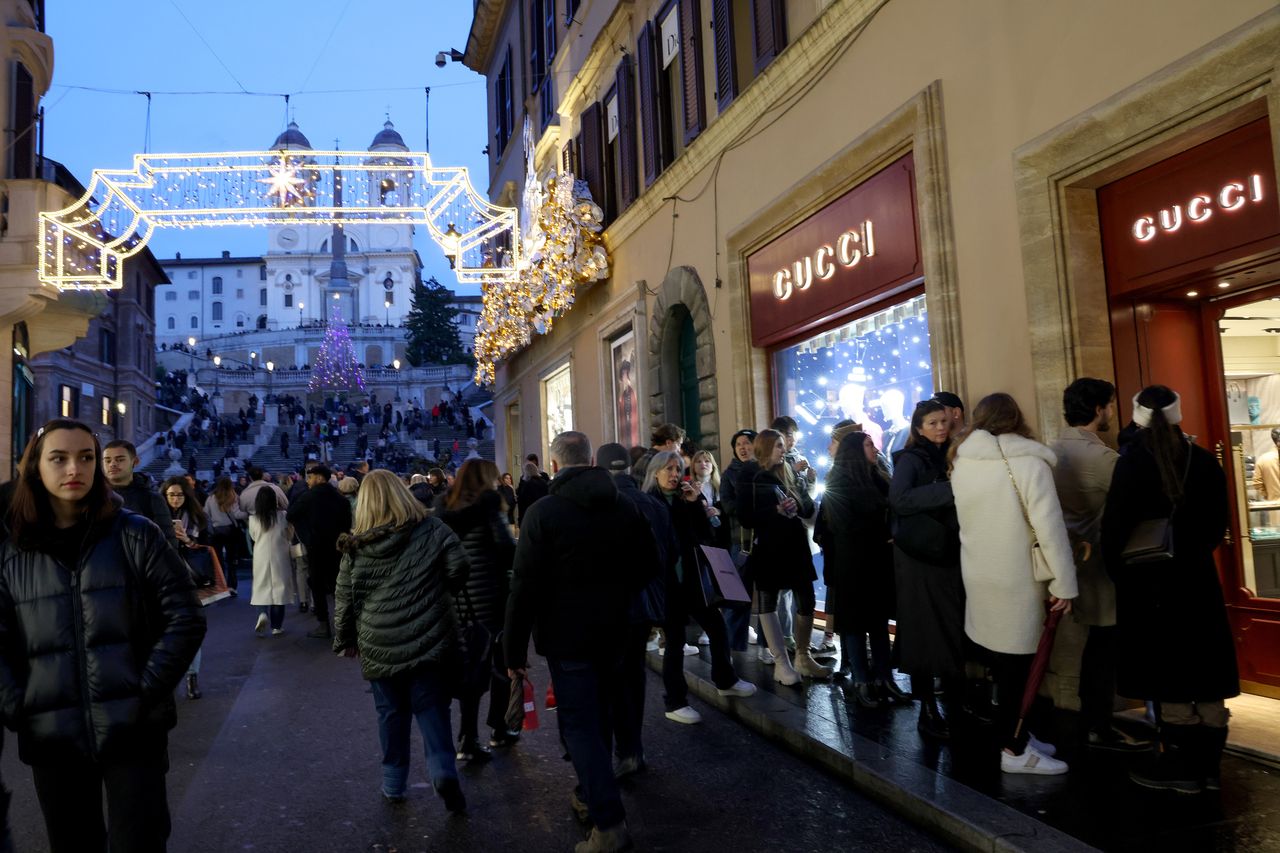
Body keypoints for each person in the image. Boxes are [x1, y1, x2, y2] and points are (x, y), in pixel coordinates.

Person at [0, 418, 205, 852]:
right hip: (51, 731)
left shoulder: (136, 533)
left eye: (86, 457)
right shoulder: (13, 550)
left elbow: (185, 616)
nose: (74, 468)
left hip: (133, 729)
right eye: (59, 458)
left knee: (140, 841)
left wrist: (145, 690)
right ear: (36, 467)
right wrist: (17, 704)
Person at [503, 432, 659, 853]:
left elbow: (524, 588)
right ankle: (593, 793)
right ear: (591, 460)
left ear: (555, 465)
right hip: (617, 629)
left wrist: (513, 652)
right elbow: (650, 562)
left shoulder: (543, 513)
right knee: (602, 714)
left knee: (581, 724)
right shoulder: (623, 505)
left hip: (566, 635)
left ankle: (607, 822)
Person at [1101, 385, 1237, 794]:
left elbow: (1115, 530)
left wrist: (1119, 575)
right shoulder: (1205, 462)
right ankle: (1209, 770)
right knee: (1207, 675)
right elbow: (1218, 526)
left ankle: (1180, 767)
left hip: (1150, 585)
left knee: (1170, 676)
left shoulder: (1132, 464)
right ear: (1179, 414)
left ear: (1137, 416)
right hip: (1198, 582)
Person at [950, 393, 1078, 775]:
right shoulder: (1027, 463)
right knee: (1019, 669)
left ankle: (1017, 735)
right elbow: (1049, 528)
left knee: (1002, 663)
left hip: (980, 572)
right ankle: (1014, 749)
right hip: (1016, 577)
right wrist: (1065, 584)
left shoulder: (962, 462)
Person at [333, 470, 469, 813]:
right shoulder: (432, 528)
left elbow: (345, 596)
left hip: (377, 639)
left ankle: (394, 783)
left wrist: (344, 638)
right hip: (429, 634)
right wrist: (437, 593)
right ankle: (442, 770)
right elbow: (459, 567)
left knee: (390, 712)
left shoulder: (356, 543)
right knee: (432, 707)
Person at [1051, 378, 1149, 752]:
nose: (1112, 411)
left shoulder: (1053, 449)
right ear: (1098, 410)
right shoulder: (1104, 459)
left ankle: (1093, 720)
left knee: (1096, 644)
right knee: (1105, 646)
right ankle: (1098, 724)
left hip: (1072, 557)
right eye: (1109, 404)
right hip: (1102, 561)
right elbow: (1137, 502)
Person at [646, 451, 755, 724]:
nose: (674, 474)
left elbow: (707, 536)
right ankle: (675, 701)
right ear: (655, 472)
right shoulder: (648, 502)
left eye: (677, 469)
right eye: (668, 469)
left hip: (693, 580)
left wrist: (695, 504)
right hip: (668, 583)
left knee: (717, 627)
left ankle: (725, 678)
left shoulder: (688, 497)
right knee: (675, 642)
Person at [596, 442, 673, 778]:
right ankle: (633, 748)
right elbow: (669, 553)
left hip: (608, 606)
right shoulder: (651, 503)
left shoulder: (597, 505)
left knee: (609, 678)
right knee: (634, 675)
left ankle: (617, 750)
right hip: (643, 602)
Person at [890, 399, 964, 741]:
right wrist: (949, 490)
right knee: (922, 632)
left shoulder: (952, 453)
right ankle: (928, 710)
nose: (940, 427)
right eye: (932, 423)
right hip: (920, 557)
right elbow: (900, 499)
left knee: (948, 629)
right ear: (918, 428)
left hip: (946, 554)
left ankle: (952, 703)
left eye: (943, 421)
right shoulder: (911, 459)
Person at [816, 431, 906, 708]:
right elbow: (842, 526)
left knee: (878, 623)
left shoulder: (878, 477)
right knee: (854, 625)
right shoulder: (840, 481)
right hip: (852, 563)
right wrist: (882, 535)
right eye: (868, 444)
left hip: (878, 562)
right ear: (855, 450)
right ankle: (861, 681)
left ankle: (884, 678)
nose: (875, 448)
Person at [438, 459, 517, 760]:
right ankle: (498, 727)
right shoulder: (488, 507)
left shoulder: (445, 509)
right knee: (499, 666)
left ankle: (467, 737)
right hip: (489, 600)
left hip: (456, 603)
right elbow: (506, 549)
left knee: (470, 670)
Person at [740, 429, 834, 685]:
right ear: (766, 447)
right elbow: (745, 516)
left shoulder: (791, 473)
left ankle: (803, 657)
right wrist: (775, 510)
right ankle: (781, 662)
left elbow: (807, 505)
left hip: (795, 546)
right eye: (779, 445)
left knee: (807, 598)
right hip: (769, 547)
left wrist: (798, 506)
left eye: (783, 445)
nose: (784, 450)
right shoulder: (751, 475)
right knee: (768, 601)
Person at [287, 464, 353, 639]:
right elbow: (347, 524)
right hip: (337, 547)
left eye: (310, 477)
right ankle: (344, 624)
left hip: (316, 546)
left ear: (319, 478)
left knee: (316, 583)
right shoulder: (340, 499)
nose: (308, 481)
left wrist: (307, 534)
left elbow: (291, 515)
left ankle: (323, 625)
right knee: (337, 585)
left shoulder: (308, 497)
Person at [163, 476, 215, 700]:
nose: (175, 499)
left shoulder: (197, 517)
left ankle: (192, 677)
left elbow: (207, 547)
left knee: (192, 630)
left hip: (191, 579)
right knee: (165, 631)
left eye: (179, 495)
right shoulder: (157, 517)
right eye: (171, 495)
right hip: (162, 579)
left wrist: (186, 540)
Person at [718, 429, 758, 652]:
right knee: (736, 596)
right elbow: (727, 505)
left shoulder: (765, 469)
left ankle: (768, 645)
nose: (743, 448)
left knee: (767, 596)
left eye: (748, 443)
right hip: (740, 542)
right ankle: (733, 646)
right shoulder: (730, 474)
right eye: (739, 444)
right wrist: (751, 510)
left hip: (765, 541)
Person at [102, 439, 179, 552]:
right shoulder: (93, 498)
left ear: (135, 461)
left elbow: (168, 545)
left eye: (120, 459)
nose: (112, 464)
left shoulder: (152, 499)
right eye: (107, 460)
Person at [249, 486, 292, 637]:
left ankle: (262, 613)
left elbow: (253, 536)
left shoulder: (253, 518)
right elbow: (289, 534)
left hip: (261, 555)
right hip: (280, 554)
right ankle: (277, 626)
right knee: (279, 590)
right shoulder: (282, 516)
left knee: (261, 586)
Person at [205, 476, 248, 595]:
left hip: (216, 531)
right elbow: (237, 514)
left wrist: (211, 528)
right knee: (232, 560)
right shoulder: (233, 497)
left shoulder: (211, 498)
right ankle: (232, 586)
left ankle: (221, 585)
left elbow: (206, 515)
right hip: (231, 531)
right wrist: (249, 513)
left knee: (218, 560)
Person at [632, 424, 685, 488]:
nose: (679, 450)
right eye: (678, 444)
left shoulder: (649, 457)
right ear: (668, 443)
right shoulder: (653, 460)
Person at [515, 460, 549, 525]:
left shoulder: (527, 485)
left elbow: (522, 503)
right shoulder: (544, 482)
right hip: (543, 513)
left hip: (530, 515)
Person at [1251, 427, 1280, 498]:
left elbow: (1257, 483)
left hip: (1274, 504)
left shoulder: (1263, 459)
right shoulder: (1263, 459)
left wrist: (1268, 495)